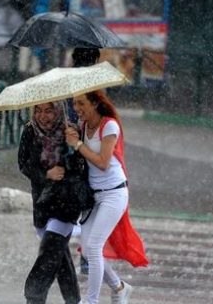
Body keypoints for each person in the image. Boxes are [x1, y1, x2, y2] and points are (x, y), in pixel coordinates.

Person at [64, 90, 148, 304]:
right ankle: (119, 287)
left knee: (93, 247)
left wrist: (78, 145)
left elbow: (102, 162)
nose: (76, 108)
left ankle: (90, 301)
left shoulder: (109, 125)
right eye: (74, 104)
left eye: (81, 103)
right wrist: (73, 139)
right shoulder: (83, 127)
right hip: (93, 197)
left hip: (114, 193)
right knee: (88, 249)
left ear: (95, 103)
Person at [18, 101, 82, 304]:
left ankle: (34, 298)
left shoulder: (71, 131)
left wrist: (74, 148)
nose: (42, 117)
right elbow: (24, 164)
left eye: (48, 111)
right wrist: (47, 174)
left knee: (49, 253)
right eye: (38, 111)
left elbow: (81, 169)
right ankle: (75, 301)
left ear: (59, 111)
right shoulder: (30, 131)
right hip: (42, 204)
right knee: (60, 258)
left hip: (66, 203)